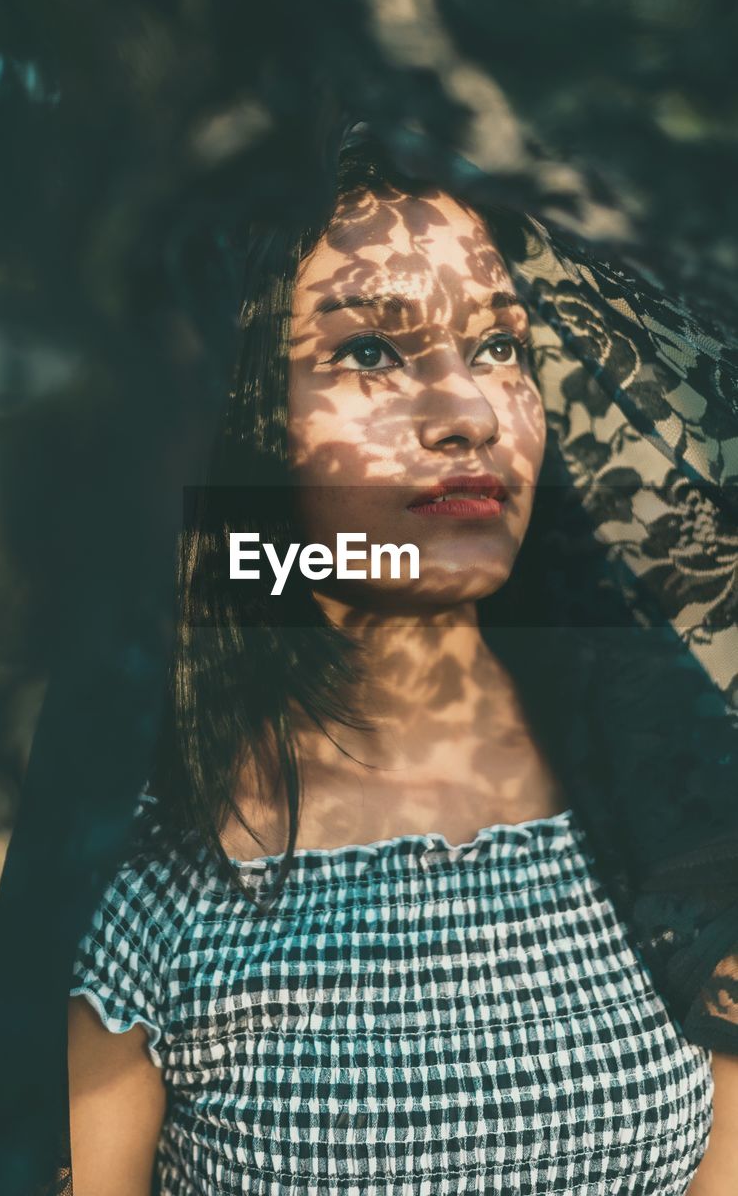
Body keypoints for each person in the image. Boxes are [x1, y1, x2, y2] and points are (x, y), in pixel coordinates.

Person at [65, 135, 738, 1194]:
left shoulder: (672, 780)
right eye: (368, 353)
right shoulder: (145, 857)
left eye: (499, 344)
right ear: (238, 416)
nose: (466, 410)